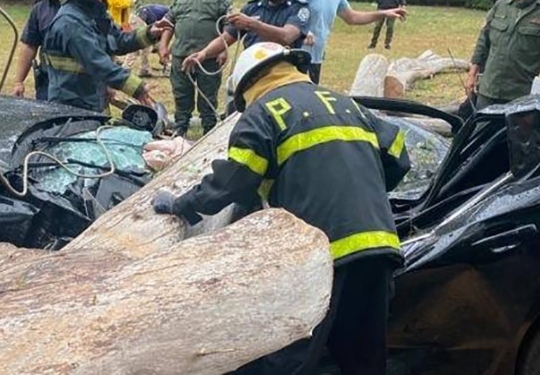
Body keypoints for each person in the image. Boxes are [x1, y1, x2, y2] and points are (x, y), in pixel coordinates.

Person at [153, 41, 410, 375]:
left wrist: (182, 204)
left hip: (320, 255)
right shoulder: (348, 103)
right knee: (364, 359)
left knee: (290, 358)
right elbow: (399, 157)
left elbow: (234, 180)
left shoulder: (263, 112)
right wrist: (360, 193)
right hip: (379, 247)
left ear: (247, 86)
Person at [44, 0, 166, 112]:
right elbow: (97, 62)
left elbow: (119, 40)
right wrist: (137, 87)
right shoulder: (70, 22)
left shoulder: (93, 14)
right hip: (71, 107)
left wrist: (150, 33)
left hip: (92, 99)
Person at [181, 0, 309, 68]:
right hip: (253, 68)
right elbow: (227, 38)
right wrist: (204, 53)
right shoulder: (252, 8)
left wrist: (252, 24)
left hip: (283, 70)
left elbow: (287, 37)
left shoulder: (298, 8)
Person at [158, 0, 233, 136]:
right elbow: (170, 21)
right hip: (181, 54)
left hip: (208, 56)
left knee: (208, 97)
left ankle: (208, 131)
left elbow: (228, 23)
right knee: (181, 95)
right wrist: (163, 45)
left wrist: (223, 49)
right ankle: (180, 130)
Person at [13, 0, 71, 100]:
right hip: (48, 84)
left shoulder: (85, 5)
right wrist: (19, 81)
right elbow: (29, 45)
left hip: (82, 87)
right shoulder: (41, 8)